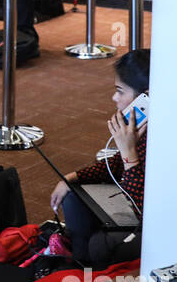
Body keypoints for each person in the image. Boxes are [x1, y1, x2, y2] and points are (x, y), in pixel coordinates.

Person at [48, 49, 149, 256]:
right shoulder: (143, 128)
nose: (115, 98)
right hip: (132, 204)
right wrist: (71, 178)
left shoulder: (168, 139)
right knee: (73, 196)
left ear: (145, 98)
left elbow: (141, 207)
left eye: (120, 91)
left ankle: (87, 268)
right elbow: (116, 165)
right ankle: (78, 265)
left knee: (99, 246)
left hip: (154, 223)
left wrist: (128, 151)